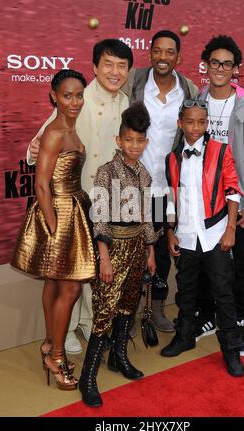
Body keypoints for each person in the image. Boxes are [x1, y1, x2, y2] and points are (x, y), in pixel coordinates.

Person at [26, 39, 133, 354]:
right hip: (72, 199)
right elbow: (42, 141)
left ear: (128, 70)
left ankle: (88, 320)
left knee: (94, 267)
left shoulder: (126, 104)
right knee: (68, 271)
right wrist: (34, 151)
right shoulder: (77, 97)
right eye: (108, 64)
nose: (115, 72)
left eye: (122, 66)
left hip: (104, 200)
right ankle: (66, 330)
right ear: (96, 67)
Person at [11, 69, 96, 390]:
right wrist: (53, 228)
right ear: (53, 96)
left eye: (78, 95)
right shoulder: (55, 132)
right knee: (72, 288)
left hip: (71, 210)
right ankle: (57, 357)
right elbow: (42, 185)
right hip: (57, 212)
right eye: (66, 96)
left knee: (54, 282)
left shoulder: (69, 128)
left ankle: (49, 342)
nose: (74, 102)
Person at [79, 102, 159, 407]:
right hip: (113, 249)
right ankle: (88, 378)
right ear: (118, 140)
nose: (134, 146)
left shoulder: (145, 173)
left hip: (139, 246)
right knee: (104, 312)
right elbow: (99, 217)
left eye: (140, 141)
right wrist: (105, 256)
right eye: (129, 140)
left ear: (146, 142)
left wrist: (150, 250)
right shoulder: (105, 172)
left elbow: (148, 216)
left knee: (128, 306)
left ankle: (119, 358)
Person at [195, 35, 244, 355]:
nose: (220, 68)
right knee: (203, 261)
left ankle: (238, 316)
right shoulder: (197, 101)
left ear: (236, 69)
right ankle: (207, 315)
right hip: (203, 201)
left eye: (227, 63)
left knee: (237, 262)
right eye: (215, 62)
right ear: (206, 65)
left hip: (237, 200)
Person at [161, 99, 244, 377]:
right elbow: (172, 198)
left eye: (201, 122)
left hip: (215, 234)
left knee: (223, 292)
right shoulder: (172, 158)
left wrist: (231, 229)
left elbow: (232, 191)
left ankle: (231, 349)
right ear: (180, 123)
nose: (195, 127)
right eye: (189, 121)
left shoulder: (222, 152)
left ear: (207, 123)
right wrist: (170, 231)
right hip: (186, 236)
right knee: (185, 291)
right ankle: (184, 337)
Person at [124, 30, 198, 333]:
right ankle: (126, 313)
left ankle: (155, 309)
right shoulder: (134, 81)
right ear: (150, 53)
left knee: (164, 254)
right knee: (129, 250)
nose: (163, 57)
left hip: (167, 190)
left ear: (178, 57)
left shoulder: (189, 89)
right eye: (158, 51)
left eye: (170, 52)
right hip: (133, 185)